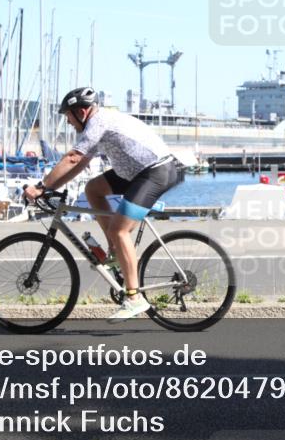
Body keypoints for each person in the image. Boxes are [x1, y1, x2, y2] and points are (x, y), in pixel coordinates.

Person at [24, 86, 183, 322]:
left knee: (119, 230)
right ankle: (115, 252)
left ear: (82, 111)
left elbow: (73, 158)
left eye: (68, 115)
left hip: (155, 172)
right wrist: (50, 187)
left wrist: (42, 187)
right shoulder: (97, 124)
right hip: (137, 172)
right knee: (93, 189)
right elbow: (79, 164)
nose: (67, 121)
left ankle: (134, 298)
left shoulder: (99, 121)